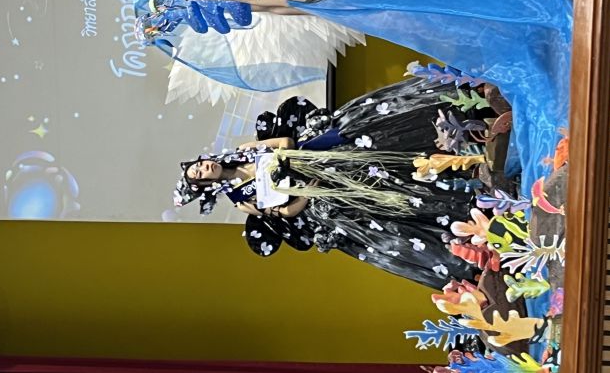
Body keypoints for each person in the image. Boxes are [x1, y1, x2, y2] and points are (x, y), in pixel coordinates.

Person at [175, 90, 486, 288]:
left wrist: (283, 160)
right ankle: (472, 194)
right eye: (200, 175)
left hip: (320, 156)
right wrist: (306, 192)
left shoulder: (244, 150)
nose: (205, 168)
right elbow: (283, 211)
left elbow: (285, 142)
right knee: (395, 199)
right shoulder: (240, 199)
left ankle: (463, 122)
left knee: (381, 145)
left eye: (199, 164)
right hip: (323, 191)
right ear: (206, 186)